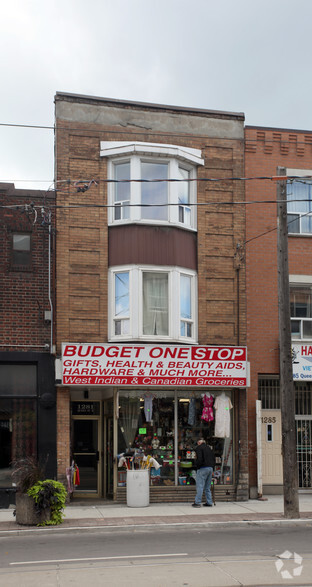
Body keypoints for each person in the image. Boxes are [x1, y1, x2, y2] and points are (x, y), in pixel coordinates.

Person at [192, 438, 215, 507]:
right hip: (210, 468)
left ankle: (198, 502)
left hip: (202, 468)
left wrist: (196, 465)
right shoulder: (209, 448)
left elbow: (200, 459)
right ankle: (209, 502)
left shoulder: (199, 448)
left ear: (199, 442)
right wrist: (212, 468)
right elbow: (213, 459)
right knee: (207, 487)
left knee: (200, 486)